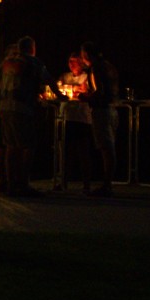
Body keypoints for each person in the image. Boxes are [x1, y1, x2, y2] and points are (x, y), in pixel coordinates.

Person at [0, 35, 63, 196]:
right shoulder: (33, 62)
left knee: (11, 146)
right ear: (32, 48)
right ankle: (23, 183)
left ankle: (11, 183)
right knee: (28, 145)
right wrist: (60, 96)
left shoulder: (7, 62)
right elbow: (49, 80)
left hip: (5, 107)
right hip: (22, 108)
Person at [80, 41, 119, 197]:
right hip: (113, 109)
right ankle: (107, 183)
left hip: (102, 110)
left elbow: (99, 91)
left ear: (86, 54)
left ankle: (107, 185)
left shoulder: (96, 68)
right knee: (109, 147)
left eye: (82, 54)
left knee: (106, 148)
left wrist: (85, 96)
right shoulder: (109, 66)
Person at [58, 53, 92, 193]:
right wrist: (74, 89)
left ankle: (86, 184)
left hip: (82, 118)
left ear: (81, 63)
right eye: (70, 62)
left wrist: (70, 89)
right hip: (66, 117)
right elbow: (59, 88)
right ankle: (63, 182)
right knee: (65, 151)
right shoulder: (65, 76)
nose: (71, 65)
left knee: (83, 151)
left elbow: (86, 90)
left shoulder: (86, 77)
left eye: (75, 62)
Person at [0, 44, 19, 193]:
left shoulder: (4, 70)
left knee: (5, 145)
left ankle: (7, 180)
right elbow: (6, 88)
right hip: (1, 110)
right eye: (13, 54)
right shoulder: (2, 71)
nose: (16, 57)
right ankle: (4, 180)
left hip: (3, 110)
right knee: (4, 146)